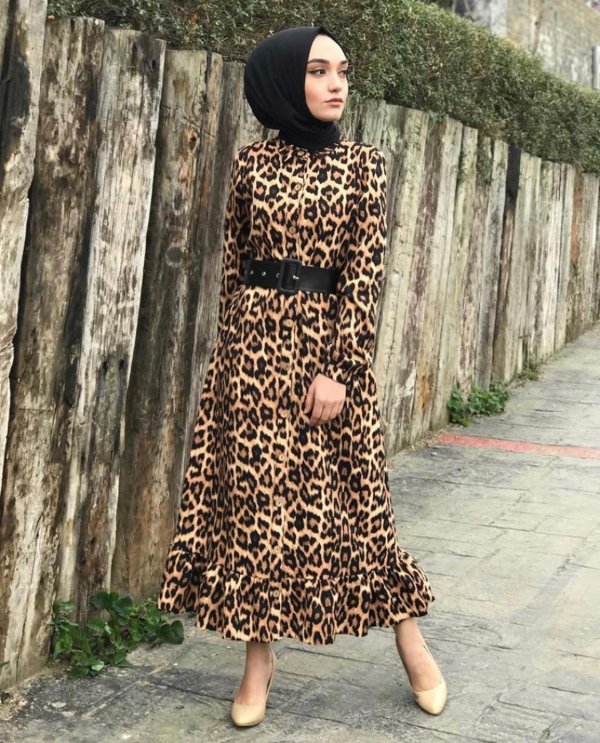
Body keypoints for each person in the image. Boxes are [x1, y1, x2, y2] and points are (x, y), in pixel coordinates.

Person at [157, 25, 447, 727]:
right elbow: (234, 267)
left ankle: (410, 640)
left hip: (326, 349)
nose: (336, 83)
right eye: (318, 71)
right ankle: (258, 659)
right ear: (286, 81)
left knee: (357, 502)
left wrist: (340, 369)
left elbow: (365, 276)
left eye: (342, 70)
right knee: (256, 505)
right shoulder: (251, 165)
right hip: (253, 355)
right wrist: (231, 361)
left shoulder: (364, 166)